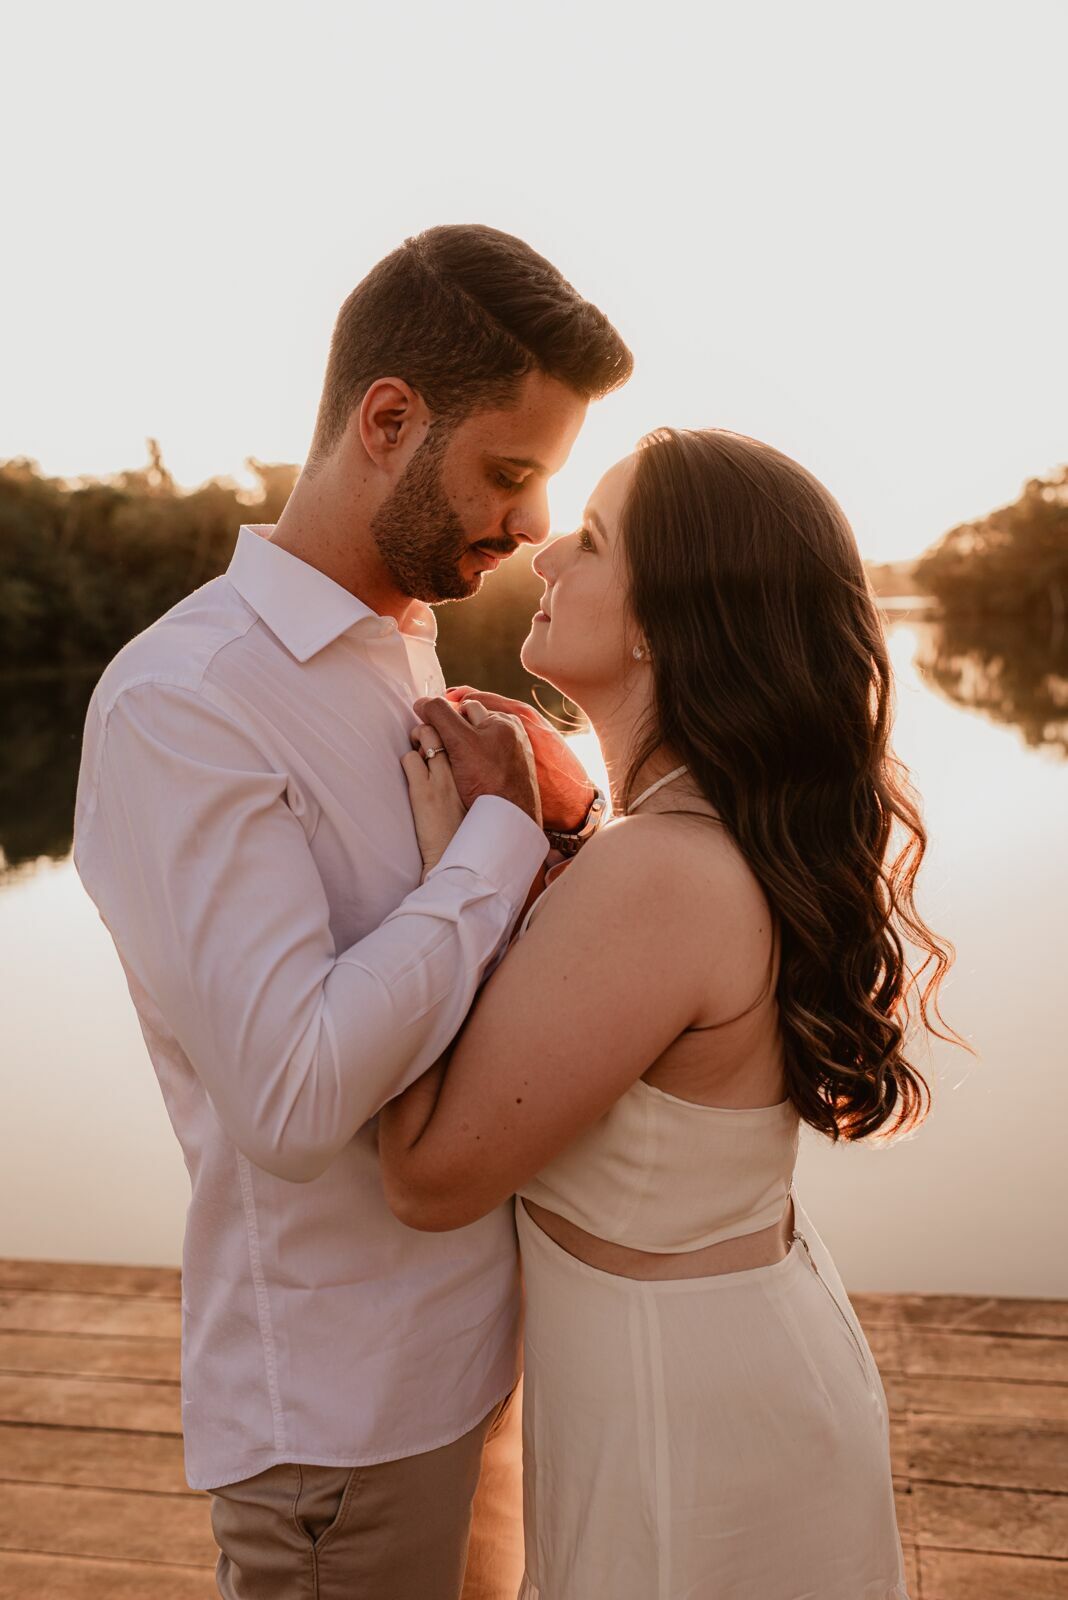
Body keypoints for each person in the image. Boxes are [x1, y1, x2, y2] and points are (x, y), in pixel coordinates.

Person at [73, 224, 631, 1600]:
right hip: (344, 1420)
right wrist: (498, 835)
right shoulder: (186, 702)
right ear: (388, 420)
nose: (532, 526)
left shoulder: (404, 656)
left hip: (481, 1362)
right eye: (510, 473)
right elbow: (292, 1097)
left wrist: (563, 830)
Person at [379, 428, 957, 1599]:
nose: (546, 554)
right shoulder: (697, 836)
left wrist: (455, 868)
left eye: (593, 540)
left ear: (667, 621)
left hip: (683, 1424)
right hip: (713, 1372)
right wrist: (563, 819)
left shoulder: (662, 871)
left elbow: (428, 1177)